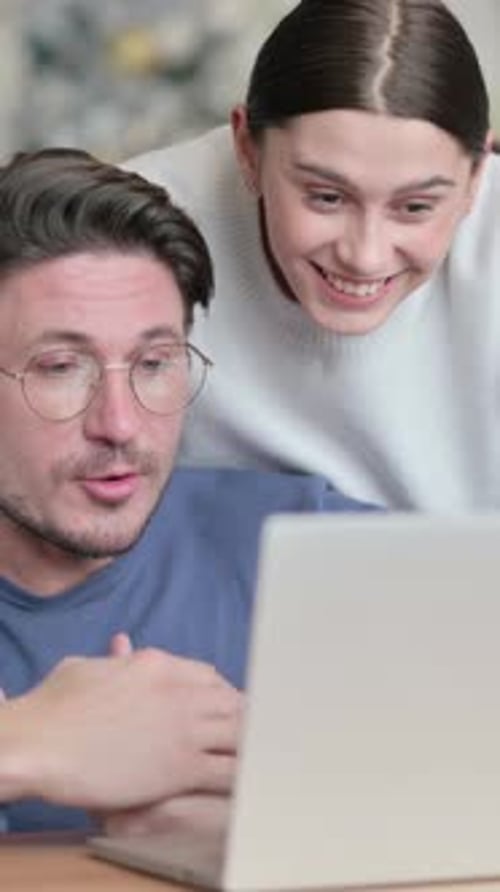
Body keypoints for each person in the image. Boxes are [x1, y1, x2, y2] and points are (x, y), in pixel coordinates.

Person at [0, 147, 374, 836]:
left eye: (154, 363)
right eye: (60, 367)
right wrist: (25, 744)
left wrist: (275, 824)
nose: (119, 423)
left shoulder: (306, 541)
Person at [126, 0, 500, 512]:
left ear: (478, 175)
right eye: (326, 197)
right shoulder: (129, 238)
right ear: (247, 148)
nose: (365, 257)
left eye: (415, 207)